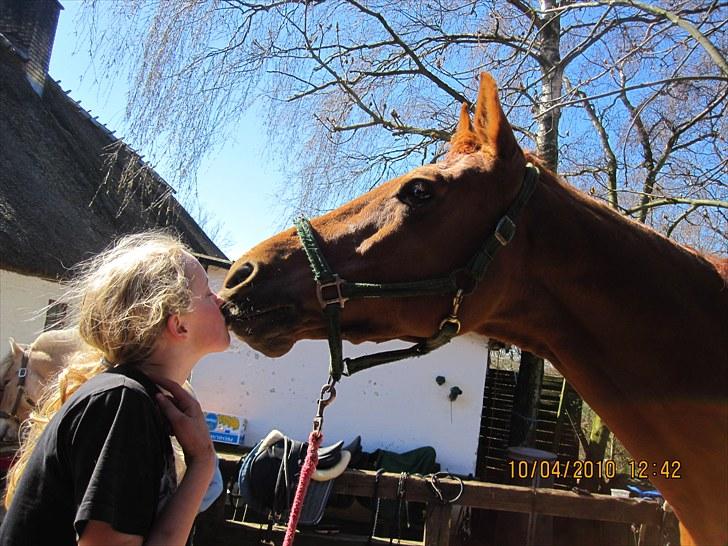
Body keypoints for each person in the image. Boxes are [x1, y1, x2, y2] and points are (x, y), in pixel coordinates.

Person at [0, 232, 230, 546]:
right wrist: (202, 462)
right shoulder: (123, 401)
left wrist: (202, 462)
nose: (221, 300)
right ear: (179, 324)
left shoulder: (135, 399)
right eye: (207, 293)